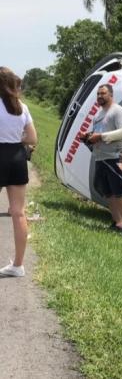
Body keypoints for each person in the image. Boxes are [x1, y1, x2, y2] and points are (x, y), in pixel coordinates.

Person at [79, 84, 122, 237]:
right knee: (107, 191)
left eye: (103, 93)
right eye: (98, 94)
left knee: (120, 191)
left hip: (117, 156)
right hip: (101, 157)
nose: (99, 96)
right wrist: (88, 136)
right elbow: (99, 134)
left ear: (111, 95)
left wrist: (101, 137)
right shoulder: (98, 115)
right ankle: (117, 223)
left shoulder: (118, 111)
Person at [0, 67, 38, 277]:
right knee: (18, 212)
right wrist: (16, 138)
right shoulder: (21, 107)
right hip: (16, 157)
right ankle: (18, 265)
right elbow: (32, 139)